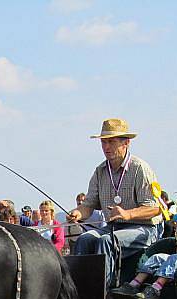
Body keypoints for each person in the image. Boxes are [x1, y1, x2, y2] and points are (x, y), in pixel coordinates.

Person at [68, 118, 162, 287]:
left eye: (111, 142)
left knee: (106, 241)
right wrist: (77, 213)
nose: (106, 147)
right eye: (103, 142)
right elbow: (89, 205)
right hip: (113, 227)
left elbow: (155, 209)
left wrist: (128, 214)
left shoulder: (139, 168)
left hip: (143, 229)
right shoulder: (100, 171)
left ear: (126, 143)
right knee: (84, 239)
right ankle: (77, 290)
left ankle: (102, 293)